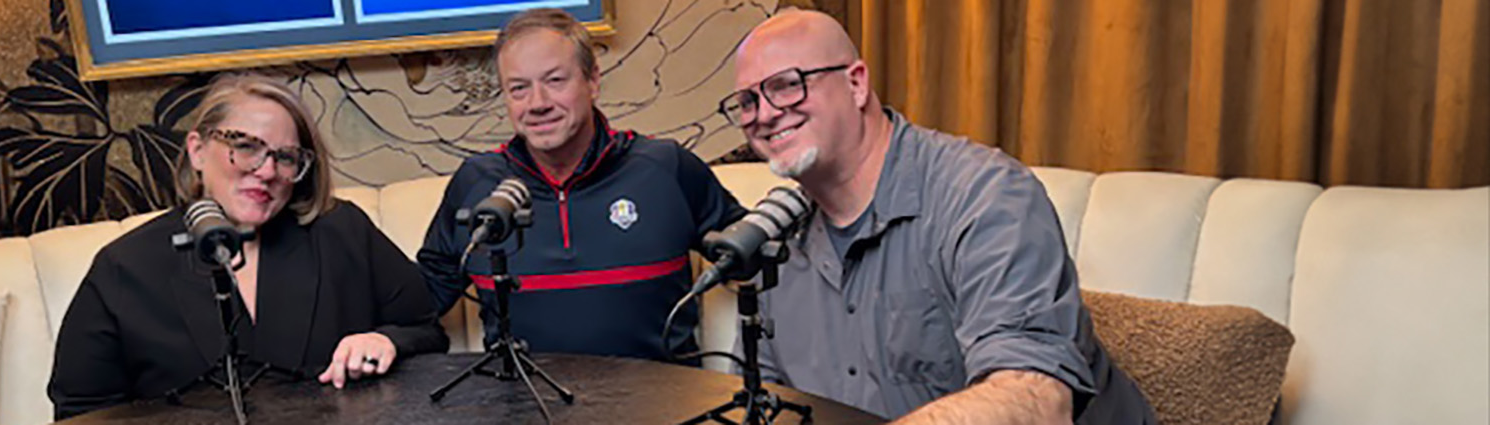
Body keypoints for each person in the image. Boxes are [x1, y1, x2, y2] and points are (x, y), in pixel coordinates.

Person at [724, 9, 1157, 424]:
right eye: (746, 101)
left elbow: (1037, 401)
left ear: (856, 84)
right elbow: (763, 402)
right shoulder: (775, 242)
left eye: (786, 85)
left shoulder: (984, 196)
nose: (763, 115)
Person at [48, 75, 449, 419]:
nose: (267, 170)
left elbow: (426, 331)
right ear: (197, 150)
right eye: (245, 145)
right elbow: (82, 410)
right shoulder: (125, 267)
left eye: (286, 157)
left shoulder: (342, 231)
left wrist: (386, 341)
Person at [416, 8, 747, 362]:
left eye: (555, 80)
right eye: (519, 88)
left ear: (592, 81)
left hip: (664, 405)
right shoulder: (476, 182)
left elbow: (757, 256)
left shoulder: (667, 168)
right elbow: (421, 299)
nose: (538, 103)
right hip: (521, 407)